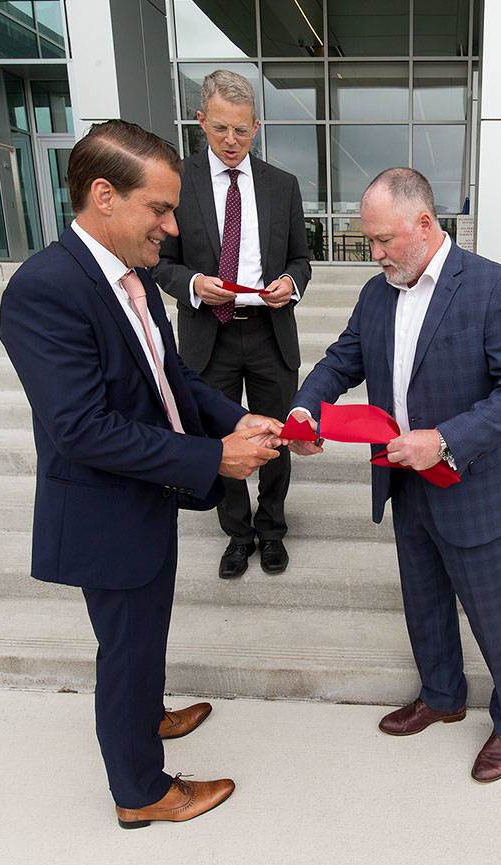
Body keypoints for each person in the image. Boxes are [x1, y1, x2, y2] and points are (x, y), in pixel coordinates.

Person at [0, 119, 287, 828]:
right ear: (103, 195)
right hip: (104, 509)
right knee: (126, 648)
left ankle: (144, 717)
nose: (171, 226)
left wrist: (233, 420)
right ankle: (140, 792)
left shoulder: (130, 277)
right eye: (159, 208)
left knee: (143, 633)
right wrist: (213, 459)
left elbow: (173, 377)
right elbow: (82, 429)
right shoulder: (45, 288)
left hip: (146, 493)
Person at [289, 168, 501, 783]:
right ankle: (442, 695)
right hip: (404, 482)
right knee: (424, 602)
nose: (374, 255)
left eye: (383, 241)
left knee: (495, 613)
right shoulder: (379, 292)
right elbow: (341, 359)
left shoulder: (491, 286)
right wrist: (305, 407)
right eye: (369, 242)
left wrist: (446, 441)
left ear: (424, 224)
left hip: (473, 487)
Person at [152, 69, 312, 581]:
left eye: (241, 131)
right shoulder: (178, 182)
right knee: (220, 439)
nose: (230, 141)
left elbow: (301, 259)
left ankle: (272, 530)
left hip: (268, 331)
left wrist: (290, 281)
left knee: (276, 437)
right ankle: (237, 535)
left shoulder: (282, 186)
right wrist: (195, 284)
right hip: (208, 334)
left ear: (256, 127)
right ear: (201, 121)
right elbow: (159, 261)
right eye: (220, 128)